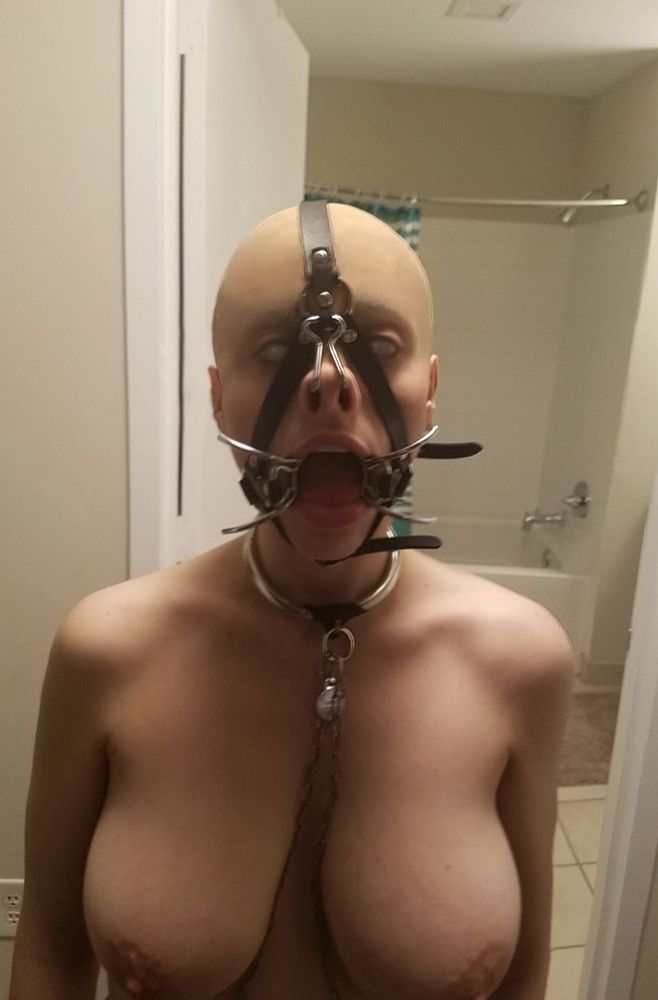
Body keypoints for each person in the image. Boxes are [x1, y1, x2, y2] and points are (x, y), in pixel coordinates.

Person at [9, 201, 574, 1000]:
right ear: (217, 398)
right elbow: (50, 956)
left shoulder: (521, 661)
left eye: (379, 347)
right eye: (278, 350)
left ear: (429, 391)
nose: (328, 382)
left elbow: (525, 977)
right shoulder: (107, 653)